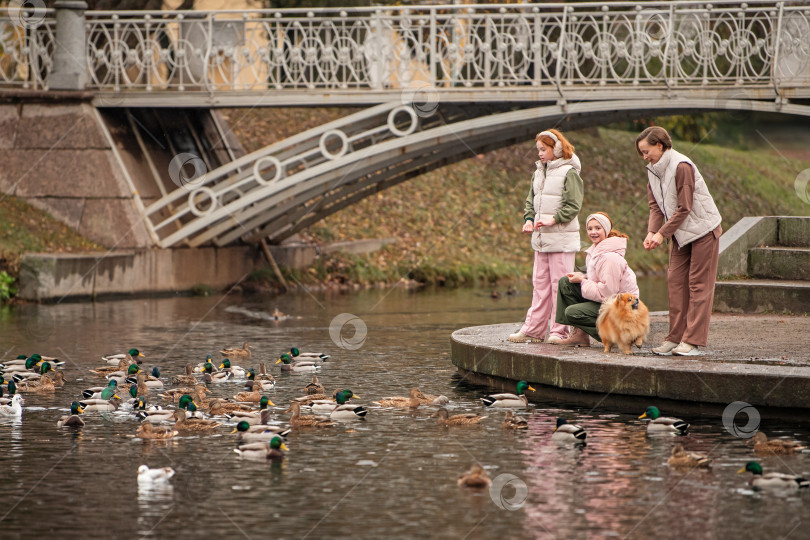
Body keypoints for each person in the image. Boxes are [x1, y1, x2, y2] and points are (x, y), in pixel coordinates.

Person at [636, 126, 722, 356]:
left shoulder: (682, 166)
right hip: (680, 233)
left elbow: (685, 207)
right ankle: (674, 338)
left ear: (660, 145)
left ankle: (692, 341)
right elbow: (655, 206)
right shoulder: (652, 170)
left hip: (703, 230)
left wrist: (661, 234)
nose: (644, 157)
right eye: (641, 153)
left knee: (698, 285)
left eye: (647, 151)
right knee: (675, 282)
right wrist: (650, 231)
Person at [508, 129, 583, 343]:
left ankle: (559, 332)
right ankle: (534, 330)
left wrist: (554, 219)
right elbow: (530, 200)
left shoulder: (570, 172)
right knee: (539, 284)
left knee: (559, 286)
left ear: (556, 148)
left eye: (544, 149)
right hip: (540, 239)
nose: (540, 153)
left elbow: (574, 205)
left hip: (561, 239)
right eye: (538, 149)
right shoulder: (539, 171)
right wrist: (529, 220)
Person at [554, 212, 639, 346]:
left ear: (606, 230)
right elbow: (600, 280)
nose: (593, 232)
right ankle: (580, 336)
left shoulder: (610, 258)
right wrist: (584, 277)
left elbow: (608, 293)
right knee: (566, 283)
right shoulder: (595, 252)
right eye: (590, 228)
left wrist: (582, 281)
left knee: (572, 313)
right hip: (608, 302)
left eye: (598, 228)